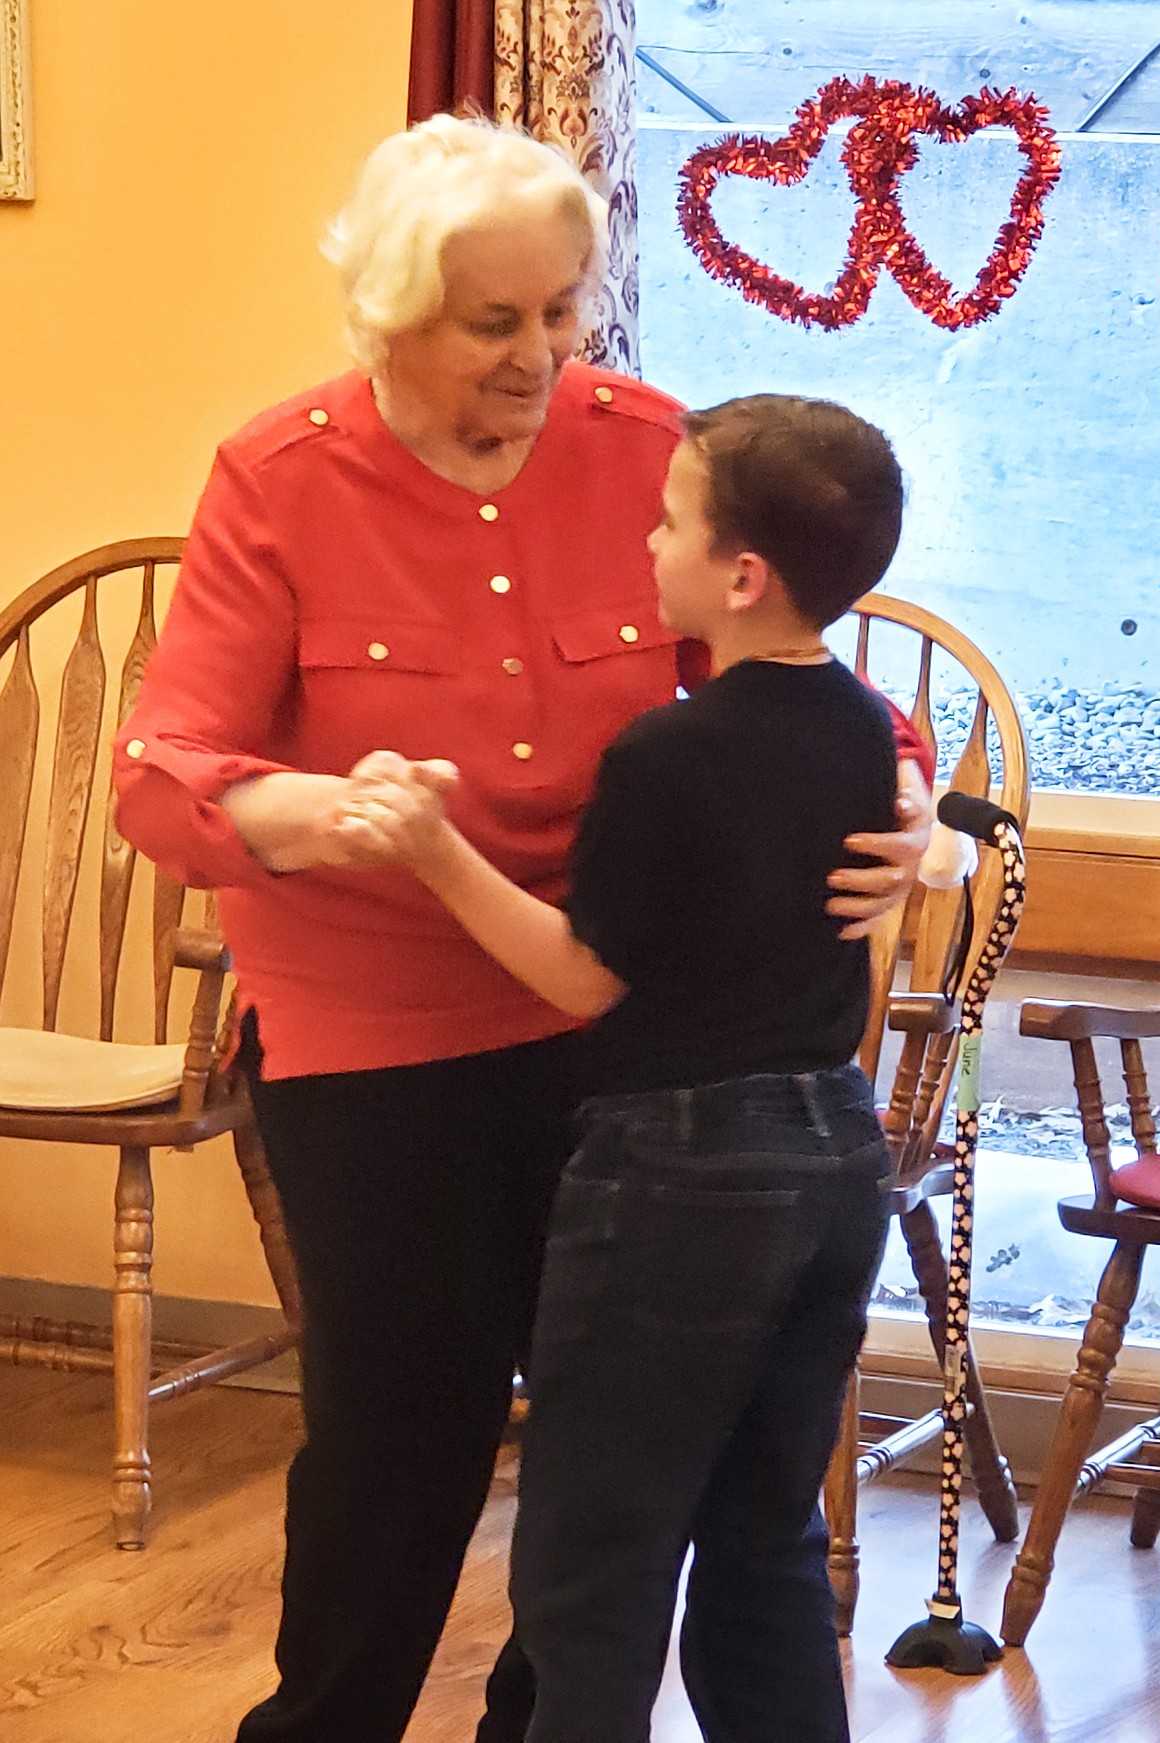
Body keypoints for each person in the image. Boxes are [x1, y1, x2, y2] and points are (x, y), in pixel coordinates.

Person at [112, 116, 931, 1743]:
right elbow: (167, 776)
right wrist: (302, 809)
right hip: (375, 1034)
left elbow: (807, 672)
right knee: (398, 1438)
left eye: (563, 308)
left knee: (610, 1463)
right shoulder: (278, 478)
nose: (543, 354)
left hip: (627, 1045)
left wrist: (903, 813)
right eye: (496, 321)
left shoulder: (649, 444)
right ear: (391, 316)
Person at [343, 392, 904, 1743]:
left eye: (667, 522)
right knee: (762, 1541)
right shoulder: (862, 726)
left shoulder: (664, 750)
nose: (645, 545)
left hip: (678, 1180)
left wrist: (432, 849)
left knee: (593, 1564)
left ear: (739, 574)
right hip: (835, 1153)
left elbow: (586, 976)